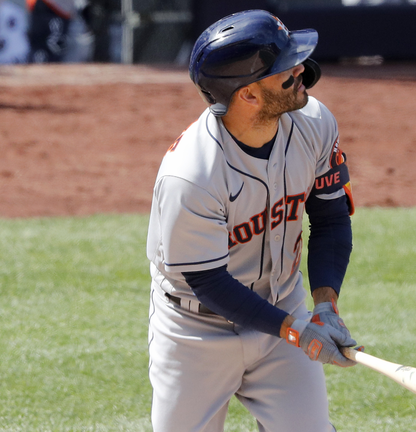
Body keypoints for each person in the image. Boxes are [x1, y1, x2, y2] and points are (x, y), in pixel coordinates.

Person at [145, 9, 359, 432]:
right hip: (196, 331)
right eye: (285, 70)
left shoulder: (314, 124)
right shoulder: (191, 175)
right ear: (248, 95)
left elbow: (331, 219)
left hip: (284, 306)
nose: (301, 71)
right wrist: (296, 332)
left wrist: (325, 306)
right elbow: (209, 282)